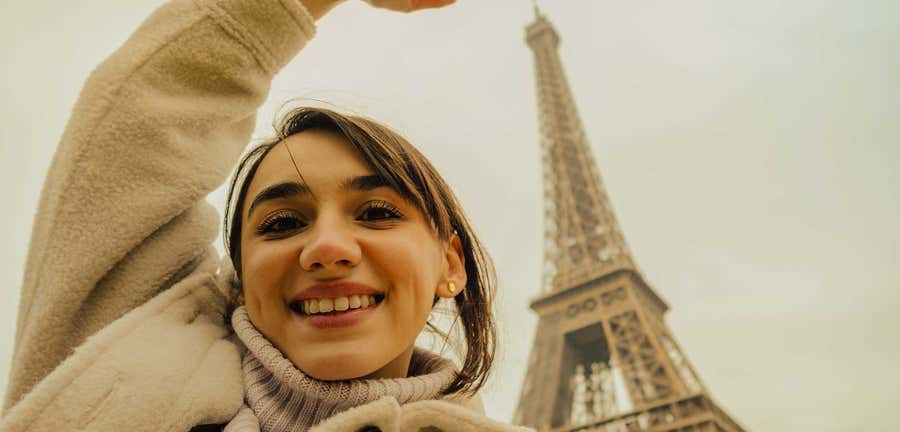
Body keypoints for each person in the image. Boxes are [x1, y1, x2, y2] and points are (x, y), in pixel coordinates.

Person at [0, 0, 533, 431]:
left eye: (374, 212)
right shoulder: (126, 369)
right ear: (239, 282)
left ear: (451, 265)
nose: (327, 248)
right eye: (281, 223)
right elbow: (135, 123)